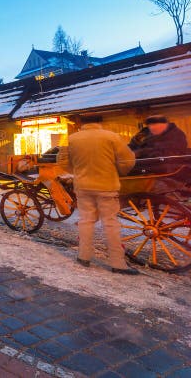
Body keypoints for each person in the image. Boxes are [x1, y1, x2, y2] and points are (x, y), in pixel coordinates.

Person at [57, 115, 138, 275]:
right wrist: (118, 173)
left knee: (85, 221)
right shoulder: (112, 137)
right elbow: (127, 161)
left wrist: (77, 172)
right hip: (107, 186)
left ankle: (84, 256)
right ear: (99, 123)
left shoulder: (72, 139)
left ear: (81, 124)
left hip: (83, 187)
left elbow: (63, 161)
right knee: (110, 223)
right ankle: (118, 263)